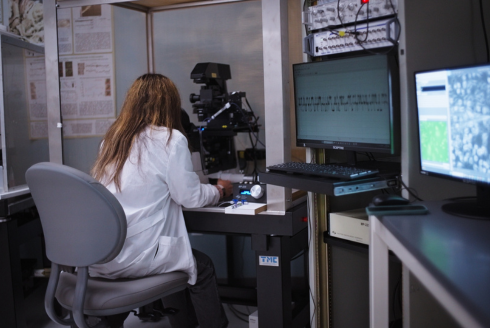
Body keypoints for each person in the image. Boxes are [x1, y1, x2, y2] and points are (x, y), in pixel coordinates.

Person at [89, 73, 232, 328]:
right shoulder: (171, 139)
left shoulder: (111, 141)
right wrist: (220, 191)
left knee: (178, 255)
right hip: (143, 255)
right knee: (202, 267)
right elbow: (190, 197)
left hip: (107, 254)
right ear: (169, 104)